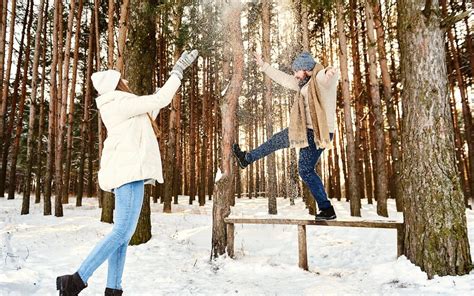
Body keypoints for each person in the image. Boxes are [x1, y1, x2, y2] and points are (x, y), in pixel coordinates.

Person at [56, 50, 199, 296]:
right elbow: (161, 100)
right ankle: (76, 280)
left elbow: (152, 108)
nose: (129, 82)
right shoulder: (117, 102)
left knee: (123, 235)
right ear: (116, 84)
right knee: (121, 232)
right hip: (128, 173)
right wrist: (178, 70)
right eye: (124, 80)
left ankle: (113, 289)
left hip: (129, 173)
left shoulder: (122, 106)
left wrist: (165, 84)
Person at [232, 51, 339, 220]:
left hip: (318, 132)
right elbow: (282, 78)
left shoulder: (319, 78)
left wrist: (330, 72)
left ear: (305, 69)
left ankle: (327, 210)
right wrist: (263, 65)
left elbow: (327, 77)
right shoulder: (302, 83)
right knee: (277, 142)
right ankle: (247, 158)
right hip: (304, 131)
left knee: (305, 171)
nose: (294, 75)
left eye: (296, 71)